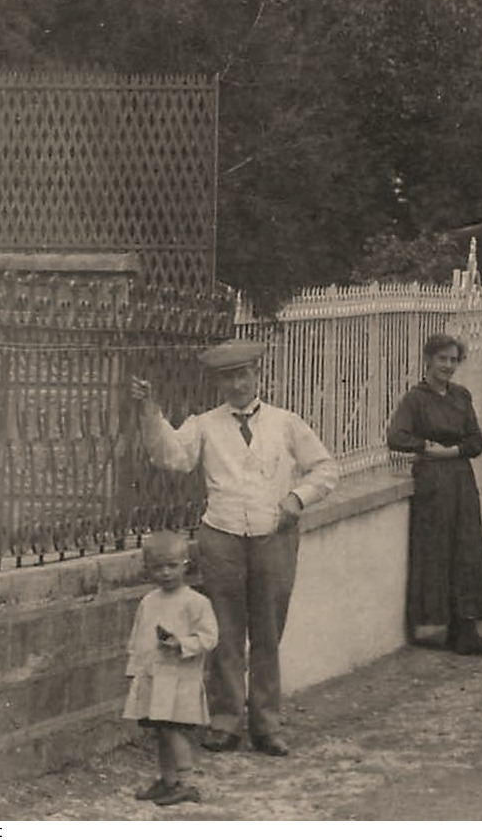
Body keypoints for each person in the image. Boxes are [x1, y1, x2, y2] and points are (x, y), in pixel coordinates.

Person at [132, 339, 337, 757]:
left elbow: (326, 468)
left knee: (267, 631)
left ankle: (267, 725)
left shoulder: (285, 423)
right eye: (229, 377)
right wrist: (149, 411)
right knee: (224, 632)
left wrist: (296, 499)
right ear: (219, 383)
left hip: (273, 536)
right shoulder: (205, 424)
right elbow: (171, 456)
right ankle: (226, 722)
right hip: (221, 535)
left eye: (244, 374)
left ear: (257, 375)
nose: (238, 384)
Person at [386, 333, 482, 655]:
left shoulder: (461, 396)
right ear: (428, 360)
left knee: (466, 548)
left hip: (460, 478)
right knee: (439, 549)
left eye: (453, 360)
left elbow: (476, 442)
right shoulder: (416, 399)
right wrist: (428, 448)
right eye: (442, 359)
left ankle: (465, 629)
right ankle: (439, 624)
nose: (448, 366)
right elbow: (396, 436)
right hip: (433, 482)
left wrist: (453, 452)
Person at [123, 530, 219, 806]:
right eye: (157, 567)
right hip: (154, 679)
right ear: (148, 568)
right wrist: (134, 668)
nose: (165, 573)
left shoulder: (196, 603)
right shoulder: (149, 602)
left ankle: (186, 783)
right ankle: (167, 780)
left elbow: (210, 638)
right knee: (160, 731)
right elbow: (138, 637)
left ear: (185, 564)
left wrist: (182, 644)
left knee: (174, 730)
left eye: (172, 566)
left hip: (179, 680)